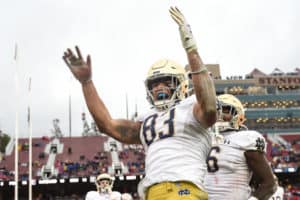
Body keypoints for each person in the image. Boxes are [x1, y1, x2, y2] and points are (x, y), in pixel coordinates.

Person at [63, 6, 216, 200]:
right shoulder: (148, 121)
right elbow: (107, 125)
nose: (159, 87)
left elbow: (210, 106)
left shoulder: (192, 108)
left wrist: (191, 49)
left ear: (182, 84)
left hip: (184, 188)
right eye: (154, 84)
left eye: (166, 82)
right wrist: (86, 83)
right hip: (152, 191)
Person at [204, 94, 277, 200]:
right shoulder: (203, 139)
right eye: (216, 111)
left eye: (225, 110)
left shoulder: (246, 138)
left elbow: (269, 184)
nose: (219, 115)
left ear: (239, 116)